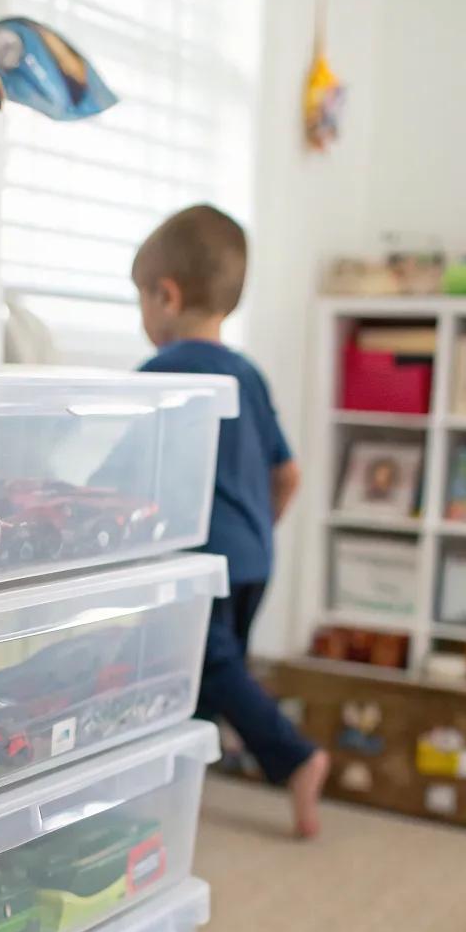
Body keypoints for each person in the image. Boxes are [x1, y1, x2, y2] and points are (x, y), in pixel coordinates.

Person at [101, 203, 329, 836]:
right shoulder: (249, 374)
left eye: (139, 299)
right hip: (256, 554)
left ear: (166, 296)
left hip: (204, 561)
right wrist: (259, 530)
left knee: (210, 670)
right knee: (197, 678)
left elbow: (121, 475)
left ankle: (298, 758)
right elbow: (289, 475)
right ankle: (174, 792)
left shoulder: (160, 374)